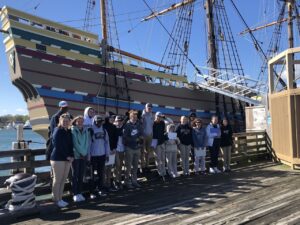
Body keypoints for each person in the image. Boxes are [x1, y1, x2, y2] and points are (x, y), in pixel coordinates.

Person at [50, 113, 74, 208]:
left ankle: (60, 198)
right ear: (60, 121)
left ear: (69, 122)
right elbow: (57, 146)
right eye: (63, 121)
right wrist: (67, 156)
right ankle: (56, 199)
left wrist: (71, 156)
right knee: (58, 179)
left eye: (67, 121)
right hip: (58, 158)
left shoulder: (68, 131)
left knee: (63, 179)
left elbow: (70, 145)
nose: (65, 122)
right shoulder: (57, 130)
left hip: (67, 158)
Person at [88, 115, 110, 199]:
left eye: (101, 122)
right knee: (92, 175)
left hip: (102, 155)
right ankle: (92, 192)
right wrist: (89, 157)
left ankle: (101, 189)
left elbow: (107, 143)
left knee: (101, 174)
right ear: (94, 121)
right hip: (93, 156)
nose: (99, 123)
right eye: (97, 122)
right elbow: (89, 144)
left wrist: (107, 154)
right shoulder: (90, 130)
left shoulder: (104, 130)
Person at [70, 115, 89, 202]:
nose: (80, 122)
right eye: (79, 121)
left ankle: (80, 192)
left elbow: (87, 142)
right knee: (75, 175)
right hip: (76, 156)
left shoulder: (86, 130)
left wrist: (85, 153)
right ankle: (75, 193)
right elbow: (75, 143)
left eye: (82, 121)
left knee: (81, 175)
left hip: (84, 155)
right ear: (75, 121)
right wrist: (81, 153)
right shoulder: (73, 130)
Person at [123, 110, 143, 189]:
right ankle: (127, 182)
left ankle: (134, 181)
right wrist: (134, 140)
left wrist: (141, 140)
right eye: (133, 117)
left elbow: (141, 134)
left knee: (135, 166)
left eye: (136, 117)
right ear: (130, 117)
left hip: (137, 148)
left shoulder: (139, 125)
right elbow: (124, 137)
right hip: (129, 148)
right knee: (128, 166)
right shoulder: (127, 125)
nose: (135, 118)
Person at [103, 113, 118, 192]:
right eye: (111, 118)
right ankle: (104, 185)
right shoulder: (103, 127)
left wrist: (114, 148)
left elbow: (115, 139)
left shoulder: (114, 127)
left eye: (113, 118)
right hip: (104, 151)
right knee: (104, 169)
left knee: (109, 168)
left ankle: (108, 184)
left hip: (112, 150)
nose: (112, 119)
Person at [152, 112, 167, 180]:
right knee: (158, 159)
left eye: (160, 116)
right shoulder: (153, 123)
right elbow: (152, 134)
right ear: (155, 116)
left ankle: (164, 172)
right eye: (158, 116)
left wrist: (165, 117)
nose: (159, 117)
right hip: (156, 142)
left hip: (162, 142)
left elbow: (169, 122)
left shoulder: (162, 123)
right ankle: (160, 173)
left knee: (163, 158)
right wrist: (153, 144)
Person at [141, 103, 154, 173]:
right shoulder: (142, 115)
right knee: (142, 151)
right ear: (145, 108)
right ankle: (142, 166)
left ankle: (147, 165)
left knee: (148, 151)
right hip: (143, 135)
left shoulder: (152, 115)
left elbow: (152, 125)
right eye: (148, 107)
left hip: (150, 135)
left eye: (150, 108)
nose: (149, 109)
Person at [113, 115, 125, 189]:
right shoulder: (113, 128)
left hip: (122, 148)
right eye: (117, 121)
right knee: (117, 165)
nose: (119, 122)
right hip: (116, 149)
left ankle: (119, 180)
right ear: (115, 121)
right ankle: (115, 181)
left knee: (120, 166)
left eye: (120, 121)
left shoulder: (124, 128)